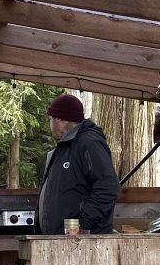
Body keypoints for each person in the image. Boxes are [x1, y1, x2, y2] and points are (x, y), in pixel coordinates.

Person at [36, 93, 119, 235]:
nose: (50, 125)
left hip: (83, 241)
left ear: (60, 120)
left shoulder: (89, 142)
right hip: (62, 241)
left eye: (50, 119)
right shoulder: (64, 148)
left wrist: (83, 223)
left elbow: (108, 185)